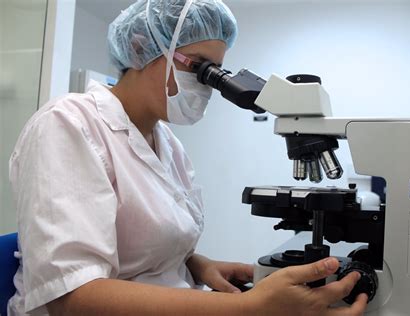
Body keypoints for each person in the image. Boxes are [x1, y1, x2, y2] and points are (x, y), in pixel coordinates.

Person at [8, 0, 368, 315]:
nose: (207, 83)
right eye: (199, 66)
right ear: (141, 47)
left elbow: (139, 248)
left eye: (215, 71)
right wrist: (247, 309)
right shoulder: (68, 125)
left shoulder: (166, 142)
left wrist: (197, 265)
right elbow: (73, 298)